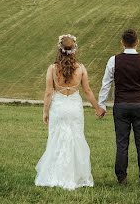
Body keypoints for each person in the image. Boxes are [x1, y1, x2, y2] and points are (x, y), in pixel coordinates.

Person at [34, 34, 103, 190]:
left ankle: (55, 175)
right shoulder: (81, 68)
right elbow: (87, 91)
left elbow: (48, 92)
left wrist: (45, 111)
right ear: (74, 49)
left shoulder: (52, 68)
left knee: (56, 139)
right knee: (76, 138)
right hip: (74, 107)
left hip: (58, 107)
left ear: (60, 49)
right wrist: (97, 108)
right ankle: (76, 175)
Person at [97, 28, 140, 187]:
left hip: (121, 105)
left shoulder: (113, 60)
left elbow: (106, 84)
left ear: (122, 42)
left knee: (122, 143)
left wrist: (102, 104)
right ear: (137, 42)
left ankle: (121, 178)